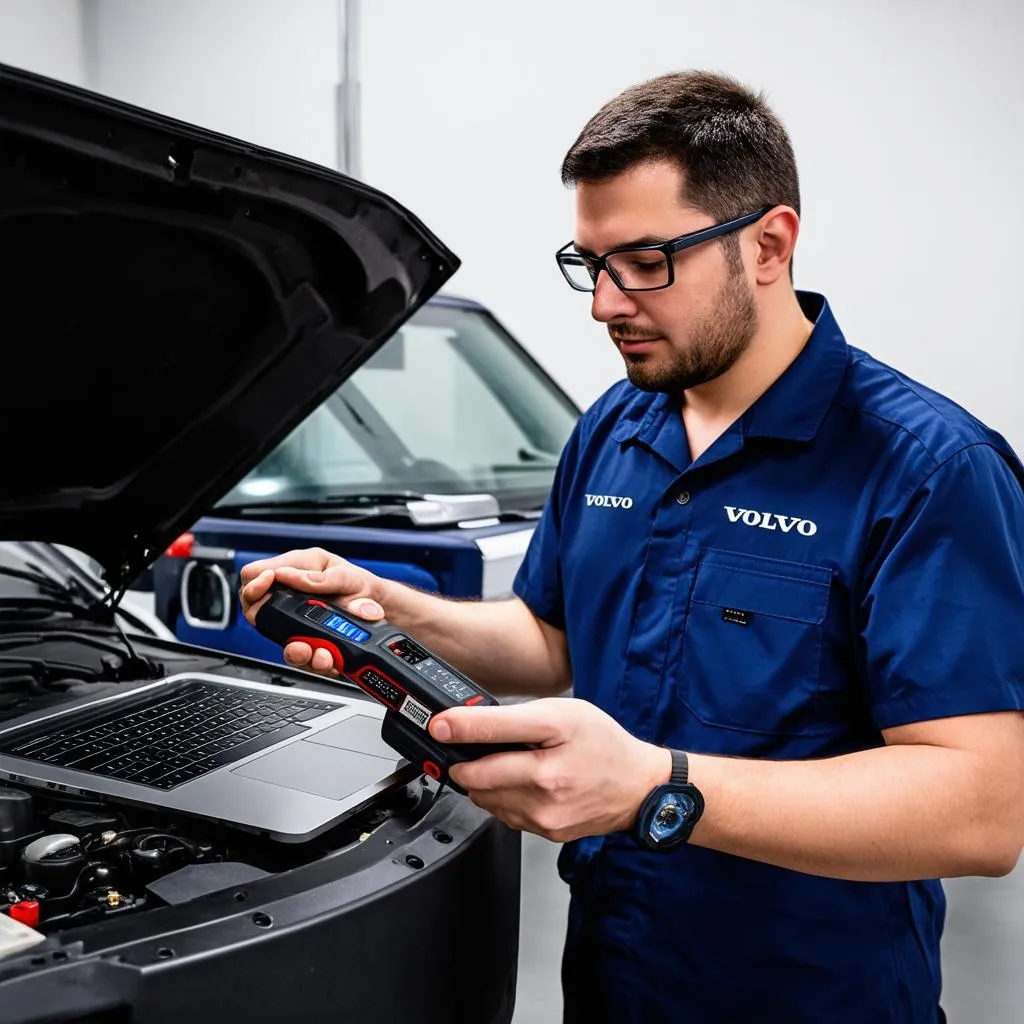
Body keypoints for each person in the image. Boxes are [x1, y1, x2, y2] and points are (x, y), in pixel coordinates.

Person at [239, 70, 1024, 1023]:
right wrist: (392, 607)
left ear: (768, 244)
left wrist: (659, 788)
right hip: (614, 968)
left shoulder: (928, 468)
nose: (605, 305)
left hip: (811, 992)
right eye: (591, 263)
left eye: (647, 262)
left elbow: (981, 808)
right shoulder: (616, 425)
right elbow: (552, 638)